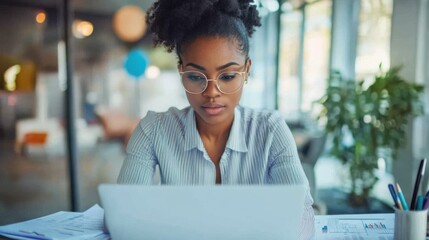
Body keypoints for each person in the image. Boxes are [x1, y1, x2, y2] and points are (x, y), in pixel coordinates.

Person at [117, 0, 315, 238]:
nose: (212, 92)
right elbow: (123, 216)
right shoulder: (153, 130)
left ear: (247, 71)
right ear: (182, 72)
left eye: (228, 76)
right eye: (196, 76)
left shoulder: (270, 131)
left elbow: (302, 218)